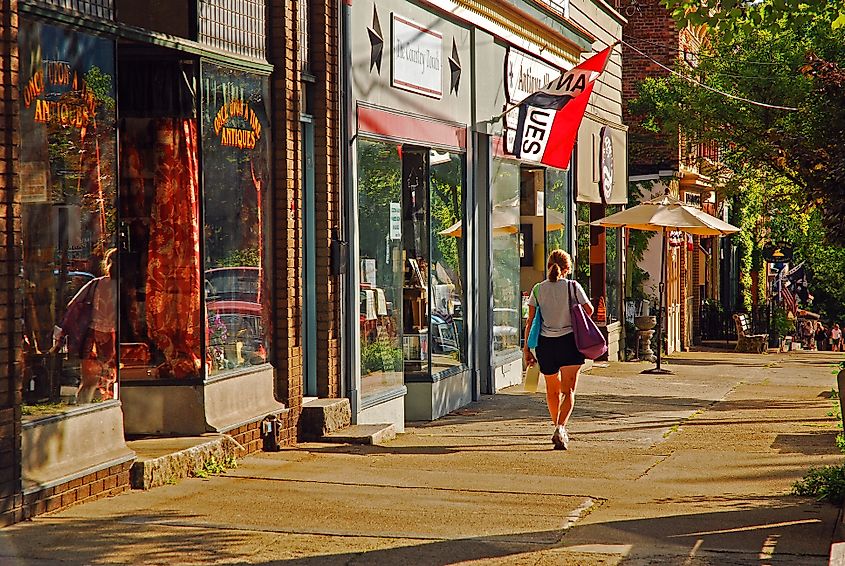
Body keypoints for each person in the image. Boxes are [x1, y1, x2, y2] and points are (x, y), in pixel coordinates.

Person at [523, 249, 593, 450]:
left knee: (552, 392)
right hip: (570, 343)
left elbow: (530, 321)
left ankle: (558, 428)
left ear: (548, 267)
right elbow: (589, 310)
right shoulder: (573, 286)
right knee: (568, 390)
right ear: (567, 268)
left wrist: (527, 349)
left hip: (546, 345)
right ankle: (561, 428)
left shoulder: (538, 289)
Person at [51, 248, 118, 404]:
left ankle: (83, 408)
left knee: (89, 382)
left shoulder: (95, 284)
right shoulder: (122, 287)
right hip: (113, 339)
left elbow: (73, 305)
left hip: (92, 337)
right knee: (112, 382)